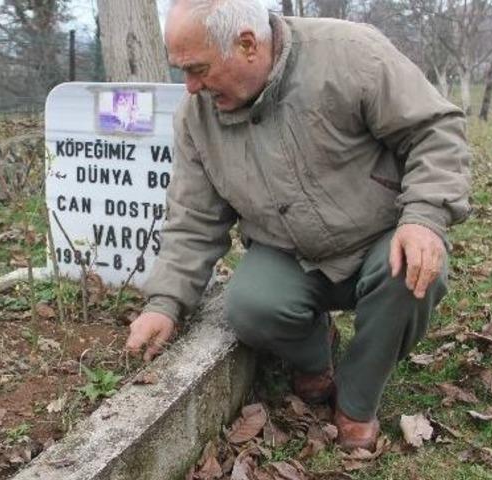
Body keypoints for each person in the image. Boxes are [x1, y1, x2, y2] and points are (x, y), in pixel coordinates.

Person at [124, 0, 471, 450]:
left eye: (198, 69)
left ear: (247, 45)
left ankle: (357, 398)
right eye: (182, 71)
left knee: (413, 273)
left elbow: (434, 130)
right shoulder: (197, 117)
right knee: (250, 305)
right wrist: (164, 303)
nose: (190, 87)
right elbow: (192, 217)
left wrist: (424, 217)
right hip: (289, 253)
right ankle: (315, 358)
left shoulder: (350, 53)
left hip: (378, 237)